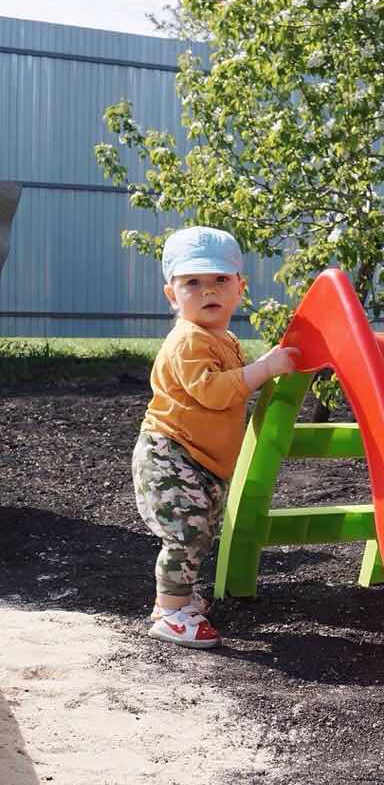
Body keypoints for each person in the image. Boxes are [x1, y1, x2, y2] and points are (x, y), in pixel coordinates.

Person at [132, 226, 299, 649]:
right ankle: (169, 612)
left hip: (199, 458)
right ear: (172, 295)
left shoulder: (222, 337)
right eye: (192, 282)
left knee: (200, 533)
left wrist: (263, 364)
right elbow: (212, 391)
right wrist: (265, 369)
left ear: (240, 288)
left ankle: (180, 597)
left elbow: (234, 381)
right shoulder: (188, 340)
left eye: (220, 279)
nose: (208, 290)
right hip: (170, 454)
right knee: (185, 534)